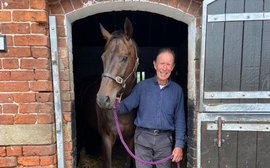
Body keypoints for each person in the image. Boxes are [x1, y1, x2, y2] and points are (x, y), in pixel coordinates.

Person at [119, 48, 186, 168]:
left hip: (164, 142)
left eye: (168, 64)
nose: (164, 68)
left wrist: (179, 145)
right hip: (142, 140)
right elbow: (125, 106)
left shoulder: (177, 91)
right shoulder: (142, 87)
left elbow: (180, 120)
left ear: (173, 67)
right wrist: (113, 103)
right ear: (155, 65)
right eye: (162, 63)